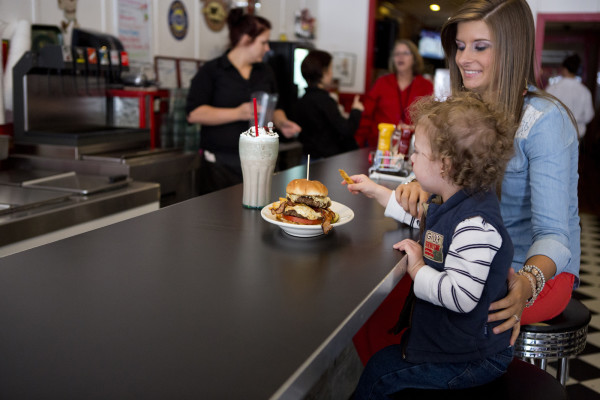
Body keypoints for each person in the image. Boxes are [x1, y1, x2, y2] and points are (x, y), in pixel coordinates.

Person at [396, 0, 580, 344]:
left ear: (512, 49)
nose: (464, 58)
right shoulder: (466, 110)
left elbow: (555, 235)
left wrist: (525, 284)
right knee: (392, 302)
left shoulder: (544, 120)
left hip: (529, 270)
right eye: (461, 46)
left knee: (424, 309)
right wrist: (422, 187)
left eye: (480, 47)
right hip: (468, 255)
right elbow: (450, 180)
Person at [351, 92, 516, 397]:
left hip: (472, 357)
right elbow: (424, 218)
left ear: (445, 165)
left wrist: (418, 267)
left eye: (418, 152)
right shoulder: (453, 202)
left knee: (379, 374)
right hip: (454, 345)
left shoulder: (476, 225)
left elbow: (460, 295)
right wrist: (377, 192)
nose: (411, 158)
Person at [186, 8, 301, 194]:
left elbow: (275, 107)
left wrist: (282, 122)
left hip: (262, 158)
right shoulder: (212, 71)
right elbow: (194, 114)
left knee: (262, 212)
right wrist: (238, 112)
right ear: (246, 39)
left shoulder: (265, 71)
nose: (268, 48)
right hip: (221, 163)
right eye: (263, 42)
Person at [354, 39, 433, 149]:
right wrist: (358, 142)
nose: (400, 57)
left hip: (412, 147)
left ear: (414, 59)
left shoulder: (426, 85)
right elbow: (366, 114)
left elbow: (430, 118)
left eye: (405, 53)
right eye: (397, 54)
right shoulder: (382, 82)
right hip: (379, 145)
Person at [294, 49, 363, 160]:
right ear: (323, 72)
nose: (332, 74)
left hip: (307, 157)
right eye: (330, 69)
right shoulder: (324, 100)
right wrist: (356, 110)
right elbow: (346, 130)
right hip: (324, 160)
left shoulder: (303, 99)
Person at [546, 54, 595, 140]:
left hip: (554, 135)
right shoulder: (584, 91)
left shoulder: (552, 88)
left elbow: (544, 112)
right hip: (576, 135)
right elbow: (588, 116)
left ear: (564, 69)